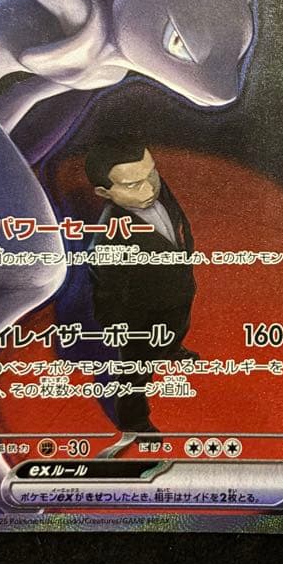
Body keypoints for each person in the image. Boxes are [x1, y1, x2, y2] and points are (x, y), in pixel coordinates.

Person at [84, 139, 199, 433]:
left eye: (152, 174)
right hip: (140, 317)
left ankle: (171, 349)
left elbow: (177, 224)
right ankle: (133, 421)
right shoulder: (107, 239)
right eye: (133, 185)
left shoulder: (158, 188)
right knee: (135, 372)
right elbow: (107, 293)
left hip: (178, 289)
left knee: (178, 325)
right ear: (104, 192)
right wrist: (123, 329)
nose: (149, 190)